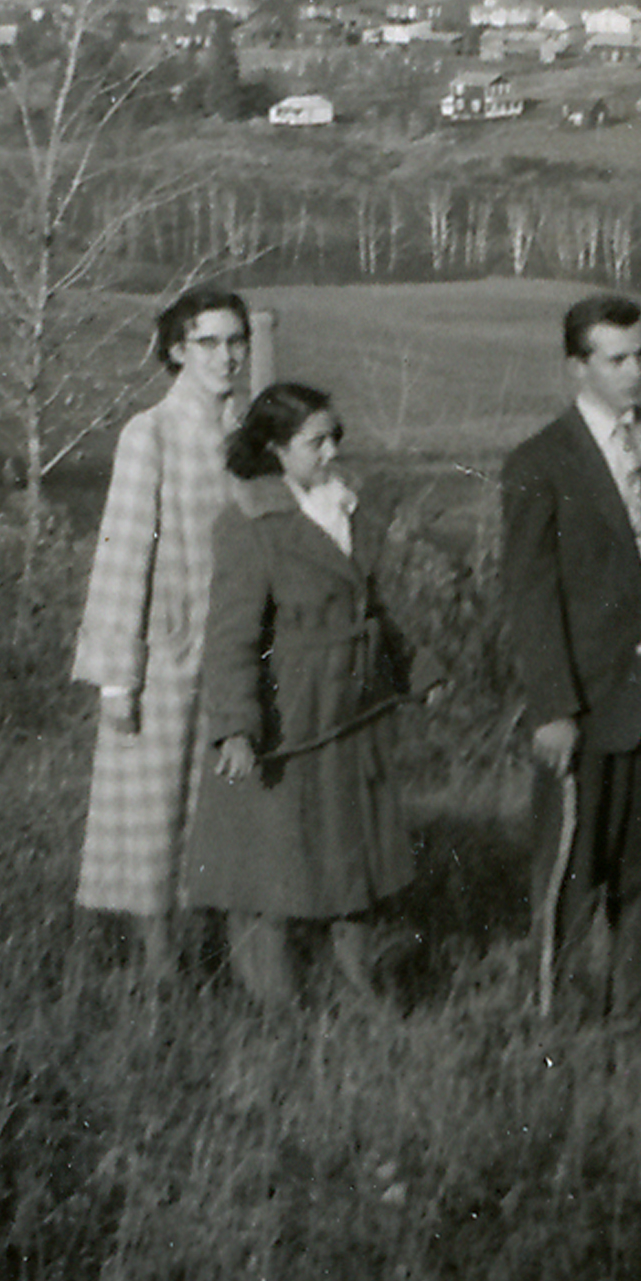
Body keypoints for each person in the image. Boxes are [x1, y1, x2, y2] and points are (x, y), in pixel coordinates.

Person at [499, 291, 641, 1020]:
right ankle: (550, 1014)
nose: (633, 371)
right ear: (575, 368)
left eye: (640, 355)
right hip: (584, 703)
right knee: (572, 863)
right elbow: (529, 594)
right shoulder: (539, 460)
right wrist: (553, 706)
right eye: (615, 358)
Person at [176, 382, 423, 1008]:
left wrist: (420, 668)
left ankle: (358, 989)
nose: (331, 450)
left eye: (335, 436)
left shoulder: (342, 508)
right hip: (288, 720)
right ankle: (272, 1006)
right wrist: (236, 725)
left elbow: (371, 608)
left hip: (352, 715)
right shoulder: (248, 525)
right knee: (268, 867)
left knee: (353, 857)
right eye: (316, 440)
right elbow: (230, 637)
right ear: (275, 449)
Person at [64, 284, 255, 977]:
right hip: (164, 652)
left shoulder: (244, 437)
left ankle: (214, 950)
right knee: (155, 809)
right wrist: (117, 674)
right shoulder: (150, 433)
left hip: (235, 655)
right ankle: (157, 965)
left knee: (220, 807)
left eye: (236, 341)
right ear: (177, 351)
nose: (226, 356)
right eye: (208, 342)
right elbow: (122, 553)